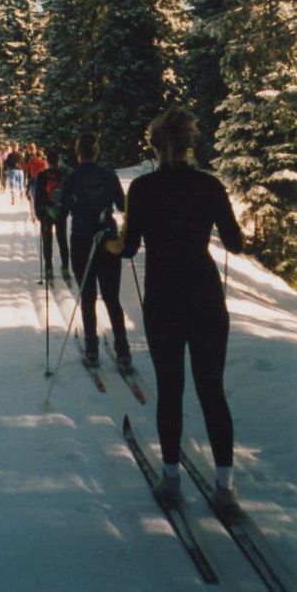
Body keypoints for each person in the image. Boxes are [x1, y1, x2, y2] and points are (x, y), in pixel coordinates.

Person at [105, 107, 244, 515]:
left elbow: (127, 249)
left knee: (170, 388)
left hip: (163, 298)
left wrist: (108, 241)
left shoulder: (143, 189)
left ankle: (170, 480)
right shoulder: (210, 186)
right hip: (205, 296)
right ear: (190, 144)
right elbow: (235, 245)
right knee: (211, 391)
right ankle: (224, 488)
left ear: (154, 146)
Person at [58, 132, 130, 370]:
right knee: (112, 298)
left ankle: (91, 350)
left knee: (87, 297)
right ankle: (123, 351)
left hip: (81, 241)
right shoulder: (108, 175)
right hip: (108, 241)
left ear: (78, 153)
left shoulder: (72, 178)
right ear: (96, 152)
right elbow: (123, 206)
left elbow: (61, 211)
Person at [34, 148, 69, 282]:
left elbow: (38, 195)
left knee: (47, 240)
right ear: (58, 161)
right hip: (60, 212)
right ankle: (65, 266)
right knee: (62, 240)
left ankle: (48, 267)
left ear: (47, 161)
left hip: (46, 212)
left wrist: (39, 212)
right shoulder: (63, 174)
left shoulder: (42, 175)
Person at [5, 141, 25, 205]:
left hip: (15, 170)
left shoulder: (11, 155)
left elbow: (7, 164)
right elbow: (23, 163)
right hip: (18, 170)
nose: (15, 148)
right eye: (14, 146)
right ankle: (18, 200)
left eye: (15, 146)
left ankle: (15, 200)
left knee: (14, 185)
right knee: (18, 185)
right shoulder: (20, 154)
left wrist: (8, 168)